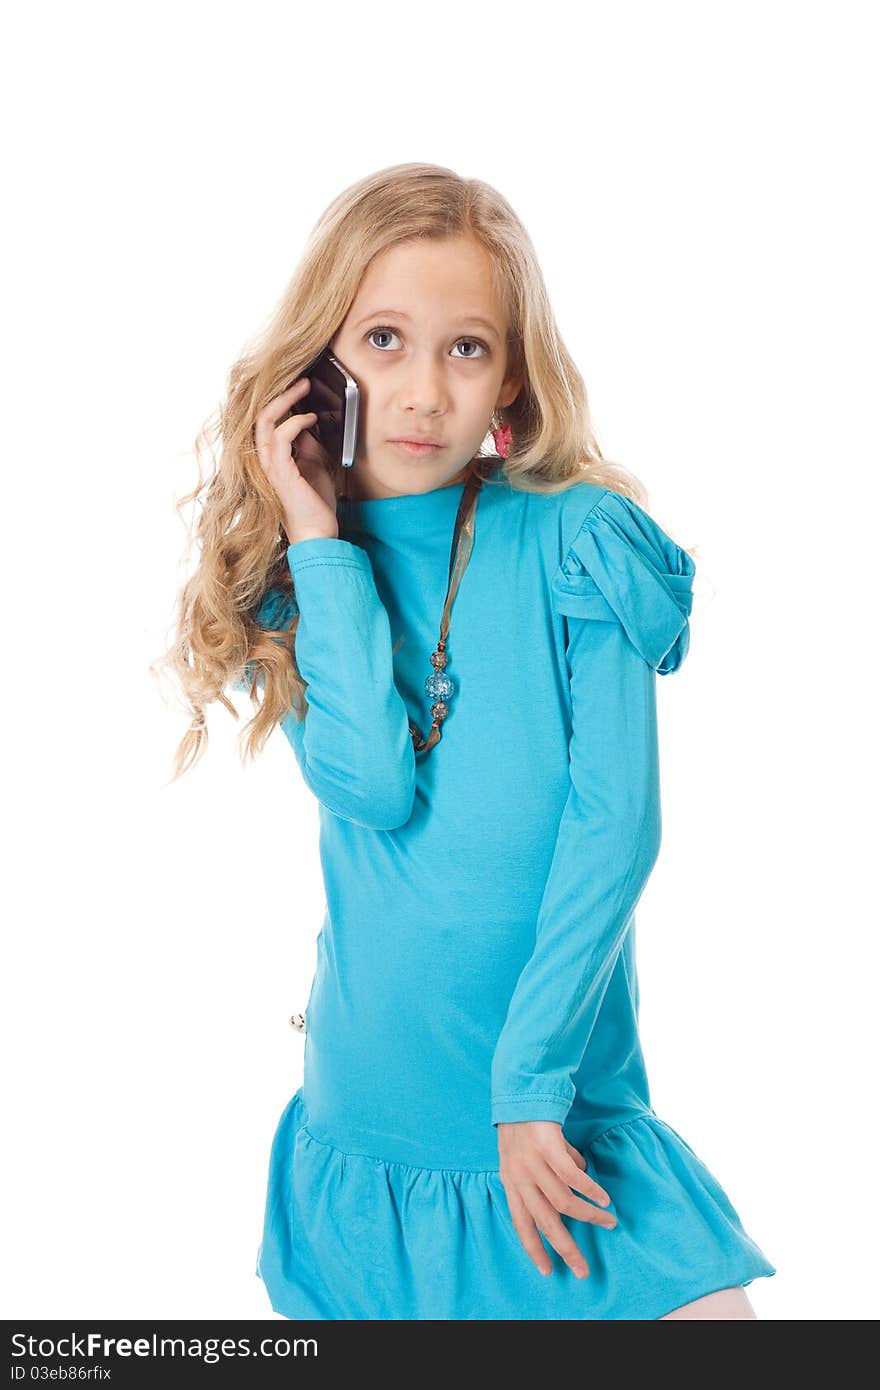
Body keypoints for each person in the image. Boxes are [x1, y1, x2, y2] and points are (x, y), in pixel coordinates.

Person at [160, 162, 776, 1319]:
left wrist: (529, 1083)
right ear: (318, 366)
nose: (422, 394)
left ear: (511, 375)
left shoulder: (575, 542)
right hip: (375, 1121)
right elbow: (374, 783)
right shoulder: (299, 590)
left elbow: (619, 826)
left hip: (553, 1107)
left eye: (466, 348)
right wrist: (314, 532)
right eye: (383, 340)